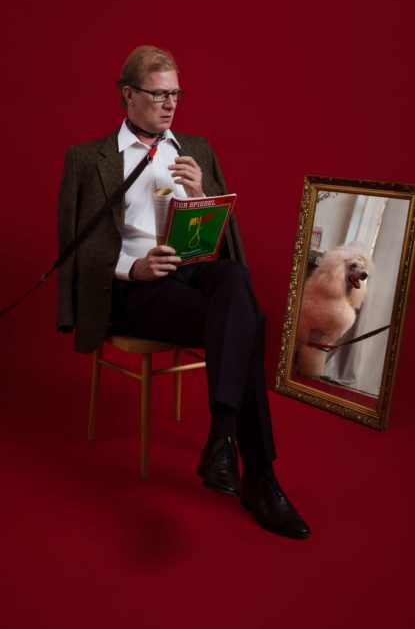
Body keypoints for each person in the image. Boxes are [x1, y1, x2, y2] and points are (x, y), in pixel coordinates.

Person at [57, 45, 310, 539]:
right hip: (134, 291)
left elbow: (225, 240)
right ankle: (260, 477)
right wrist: (133, 267)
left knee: (233, 279)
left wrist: (200, 194)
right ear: (128, 95)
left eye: (176, 94)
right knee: (249, 322)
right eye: (158, 94)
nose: (170, 104)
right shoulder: (88, 159)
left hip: (192, 276)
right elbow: (73, 249)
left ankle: (223, 438)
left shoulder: (197, 147)